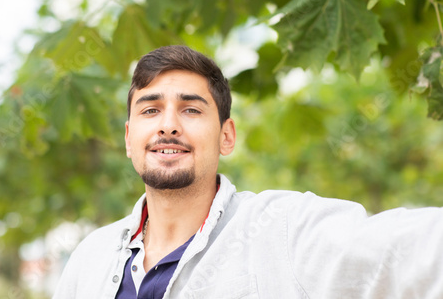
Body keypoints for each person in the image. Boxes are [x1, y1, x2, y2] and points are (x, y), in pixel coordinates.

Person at [53, 45, 443, 299]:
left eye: (191, 109)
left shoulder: (283, 230)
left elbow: (409, 249)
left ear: (226, 136)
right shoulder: (90, 258)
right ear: (128, 137)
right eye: (150, 110)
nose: (168, 125)